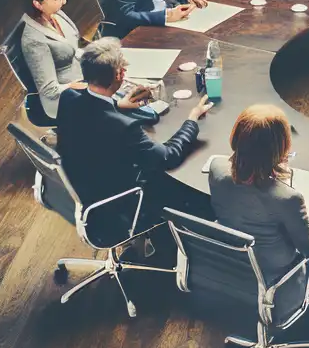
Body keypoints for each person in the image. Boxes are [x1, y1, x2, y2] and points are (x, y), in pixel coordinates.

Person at [57, 38, 213, 244]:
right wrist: (192, 120)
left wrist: (117, 106)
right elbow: (168, 157)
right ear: (119, 75)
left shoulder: (68, 98)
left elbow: (92, 117)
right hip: (119, 205)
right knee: (196, 194)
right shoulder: (123, 127)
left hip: (81, 188)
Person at [208, 103, 309, 284]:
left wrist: (270, 168)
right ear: (281, 148)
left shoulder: (216, 167)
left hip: (231, 267)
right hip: (278, 280)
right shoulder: (287, 198)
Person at [14, 0, 97, 128]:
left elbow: (73, 46)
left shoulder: (56, 14)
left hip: (83, 77)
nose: (64, 1)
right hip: (63, 98)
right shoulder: (33, 40)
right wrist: (79, 86)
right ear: (37, 4)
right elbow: (49, 90)